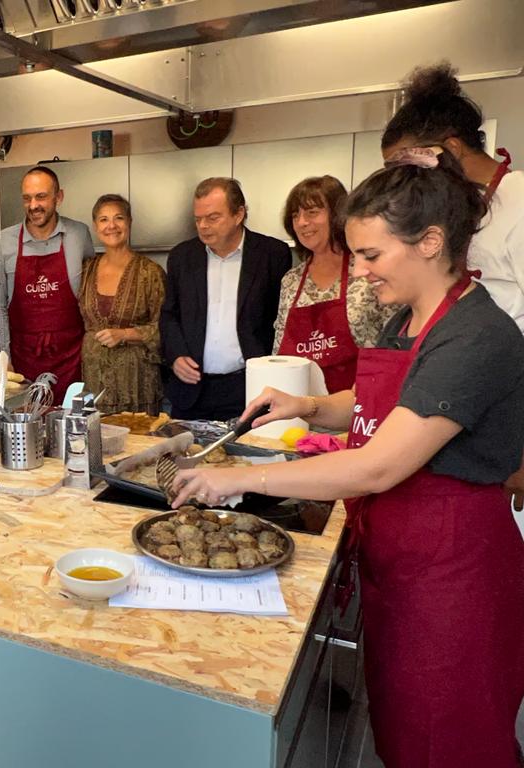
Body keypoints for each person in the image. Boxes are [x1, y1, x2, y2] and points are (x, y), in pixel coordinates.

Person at [171, 148, 524, 768]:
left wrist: (237, 477)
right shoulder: (408, 319)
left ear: (431, 242)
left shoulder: (476, 335)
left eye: (370, 254)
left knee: (451, 740)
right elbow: (373, 400)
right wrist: (306, 408)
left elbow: (378, 464)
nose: (358, 272)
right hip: (401, 561)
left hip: (453, 576)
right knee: (402, 730)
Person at [382, 61, 524, 510]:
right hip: (463, 410)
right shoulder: (454, 212)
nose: (400, 180)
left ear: (450, 148)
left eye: (406, 162)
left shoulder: (520, 203)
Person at [159, 177, 291, 420]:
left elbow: (279, 320)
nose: (203, 226)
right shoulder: (182, 257)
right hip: (192, 388)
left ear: (238, 214)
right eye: (198, 219)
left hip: (247, 387)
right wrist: (176, 355)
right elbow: (169, 315)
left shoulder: (272, 255)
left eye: (213, 217)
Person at [274, 176, 393, 392]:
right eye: (295, 215)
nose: (301, 222)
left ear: (338, 215)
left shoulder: (368, 270)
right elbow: (279, 356)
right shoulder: (291, 280)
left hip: (362, 403)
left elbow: (395, 340)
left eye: (312, 212)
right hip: (301, 410)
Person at [0, 166, 95, 403]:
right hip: (22, 360)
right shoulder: (3, 241)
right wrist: (4, 357)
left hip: (72, 358)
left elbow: (91, 296)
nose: (33, 206)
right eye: (27, 198)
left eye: (41, 196)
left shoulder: (79, 234)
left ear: (58, 197)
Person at [79, 194, 166, 414]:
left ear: (129, 222)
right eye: (103, 219)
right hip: (94, 380)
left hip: (137, 382)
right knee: (98, 442)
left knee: (139, 443)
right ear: (95, 226)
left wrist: (125, 334)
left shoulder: (150, 272)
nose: (111, 226)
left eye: (118, 218)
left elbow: (166, 327)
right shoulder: (85, 270)